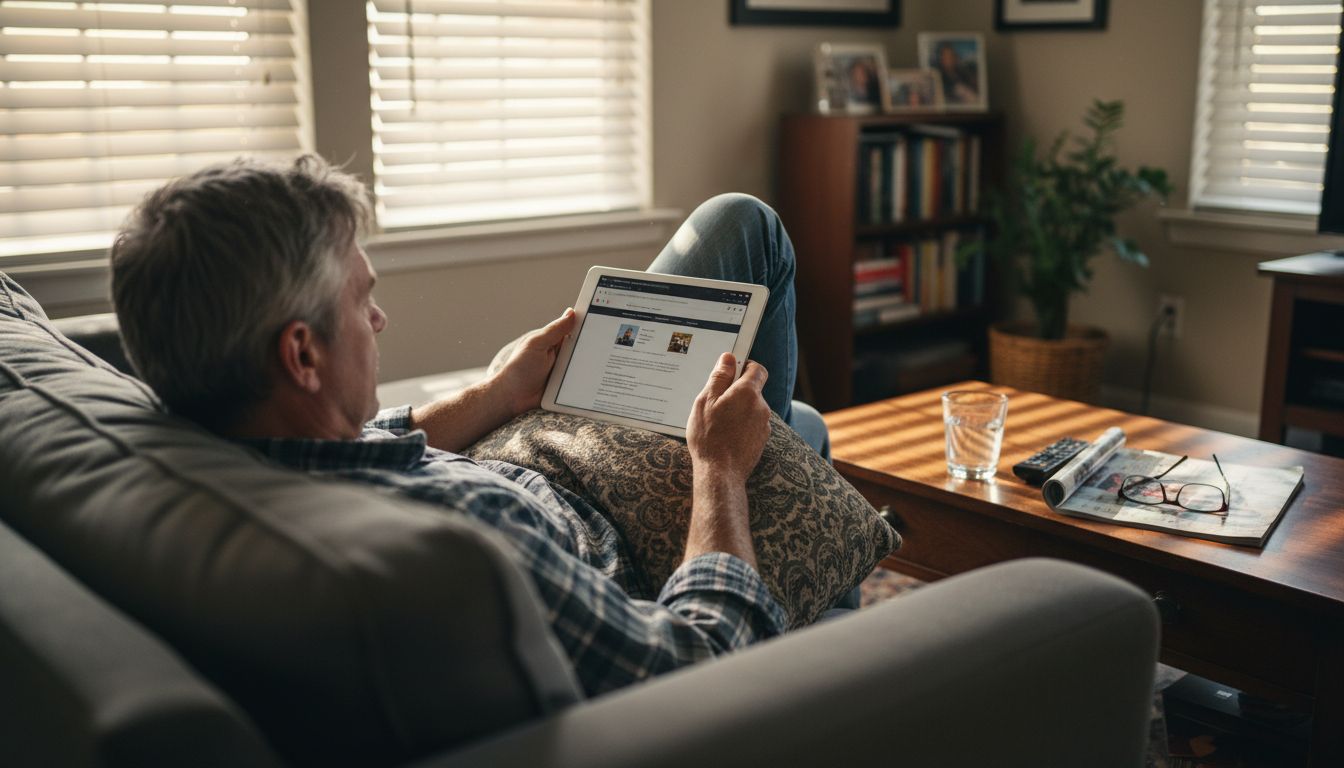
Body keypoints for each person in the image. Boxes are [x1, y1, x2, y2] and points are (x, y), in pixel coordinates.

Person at [108, 155, 818, 697]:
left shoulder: (225, 433)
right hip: (623, 531)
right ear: (302, 354)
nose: (379, 320)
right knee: (789, 397)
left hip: (535, 457)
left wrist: (496, 392)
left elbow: (366, 437)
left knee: (797, 411)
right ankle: (846, 669)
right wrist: (719, 469)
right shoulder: (466, 548)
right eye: (361, 303)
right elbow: (700, 663)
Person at [933, 42, 980, 106]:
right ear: (941, 59)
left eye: (952, 56)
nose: (950, 59)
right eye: (946, 57)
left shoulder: (963, 73)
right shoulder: (938, 76)